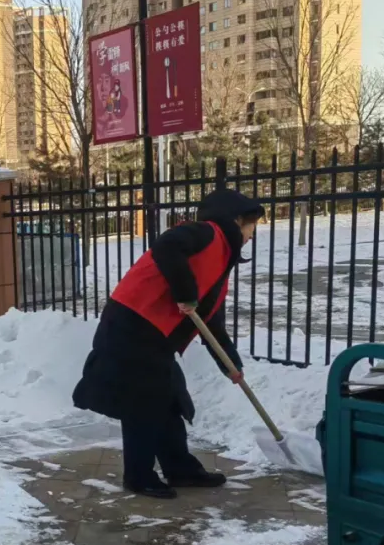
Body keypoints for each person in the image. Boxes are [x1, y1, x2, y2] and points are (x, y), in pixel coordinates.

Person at [72, 188, 265, 499]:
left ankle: (180, 469)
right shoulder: (206, 233)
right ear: (236, 220)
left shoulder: (221, 262)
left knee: (170, 399)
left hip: (154, 336)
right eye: (251, 226)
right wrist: (185, 293)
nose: (252, 235)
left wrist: (230, 363)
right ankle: (139, 476)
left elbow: (210, 321)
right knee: (144, 402)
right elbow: (167, 246)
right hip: (132, 324)